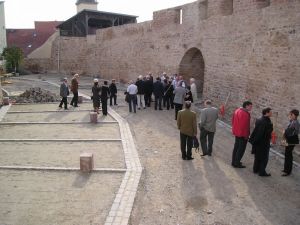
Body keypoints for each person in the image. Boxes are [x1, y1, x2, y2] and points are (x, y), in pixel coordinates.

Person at [249, 108, 273, 176]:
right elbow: (264, 133)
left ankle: (255, 169)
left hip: (258, 143)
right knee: (264, 158)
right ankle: (262, 172)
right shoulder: (266, 122)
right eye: (270, 112)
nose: (271, 113)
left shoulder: (259, 120)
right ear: (266, 113)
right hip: (263, 143)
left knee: (257, 157)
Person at [231, 101, 253, 168]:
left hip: (237, 133)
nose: (251, 108)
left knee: (236, 148)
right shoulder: (245, 114)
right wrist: (246, 136)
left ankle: (234, 161)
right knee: (241, 149)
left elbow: (232, 121)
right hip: (242, 134)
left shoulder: (237, 110)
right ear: (246, 106)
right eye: (250, 106)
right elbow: (245, 126)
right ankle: (237, 163)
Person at [282, 109, 299, 176]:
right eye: (290, 114)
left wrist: (286, 132)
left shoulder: (296, 122)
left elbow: (297, 132)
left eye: (291, 114)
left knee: (288, 155)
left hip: (292, 140)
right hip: (288, 139)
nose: (290, 116)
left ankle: (288, 171)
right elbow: (288, 129)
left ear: (295, 115)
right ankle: (286, 169)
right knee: (287, 154)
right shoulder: (292, 121)